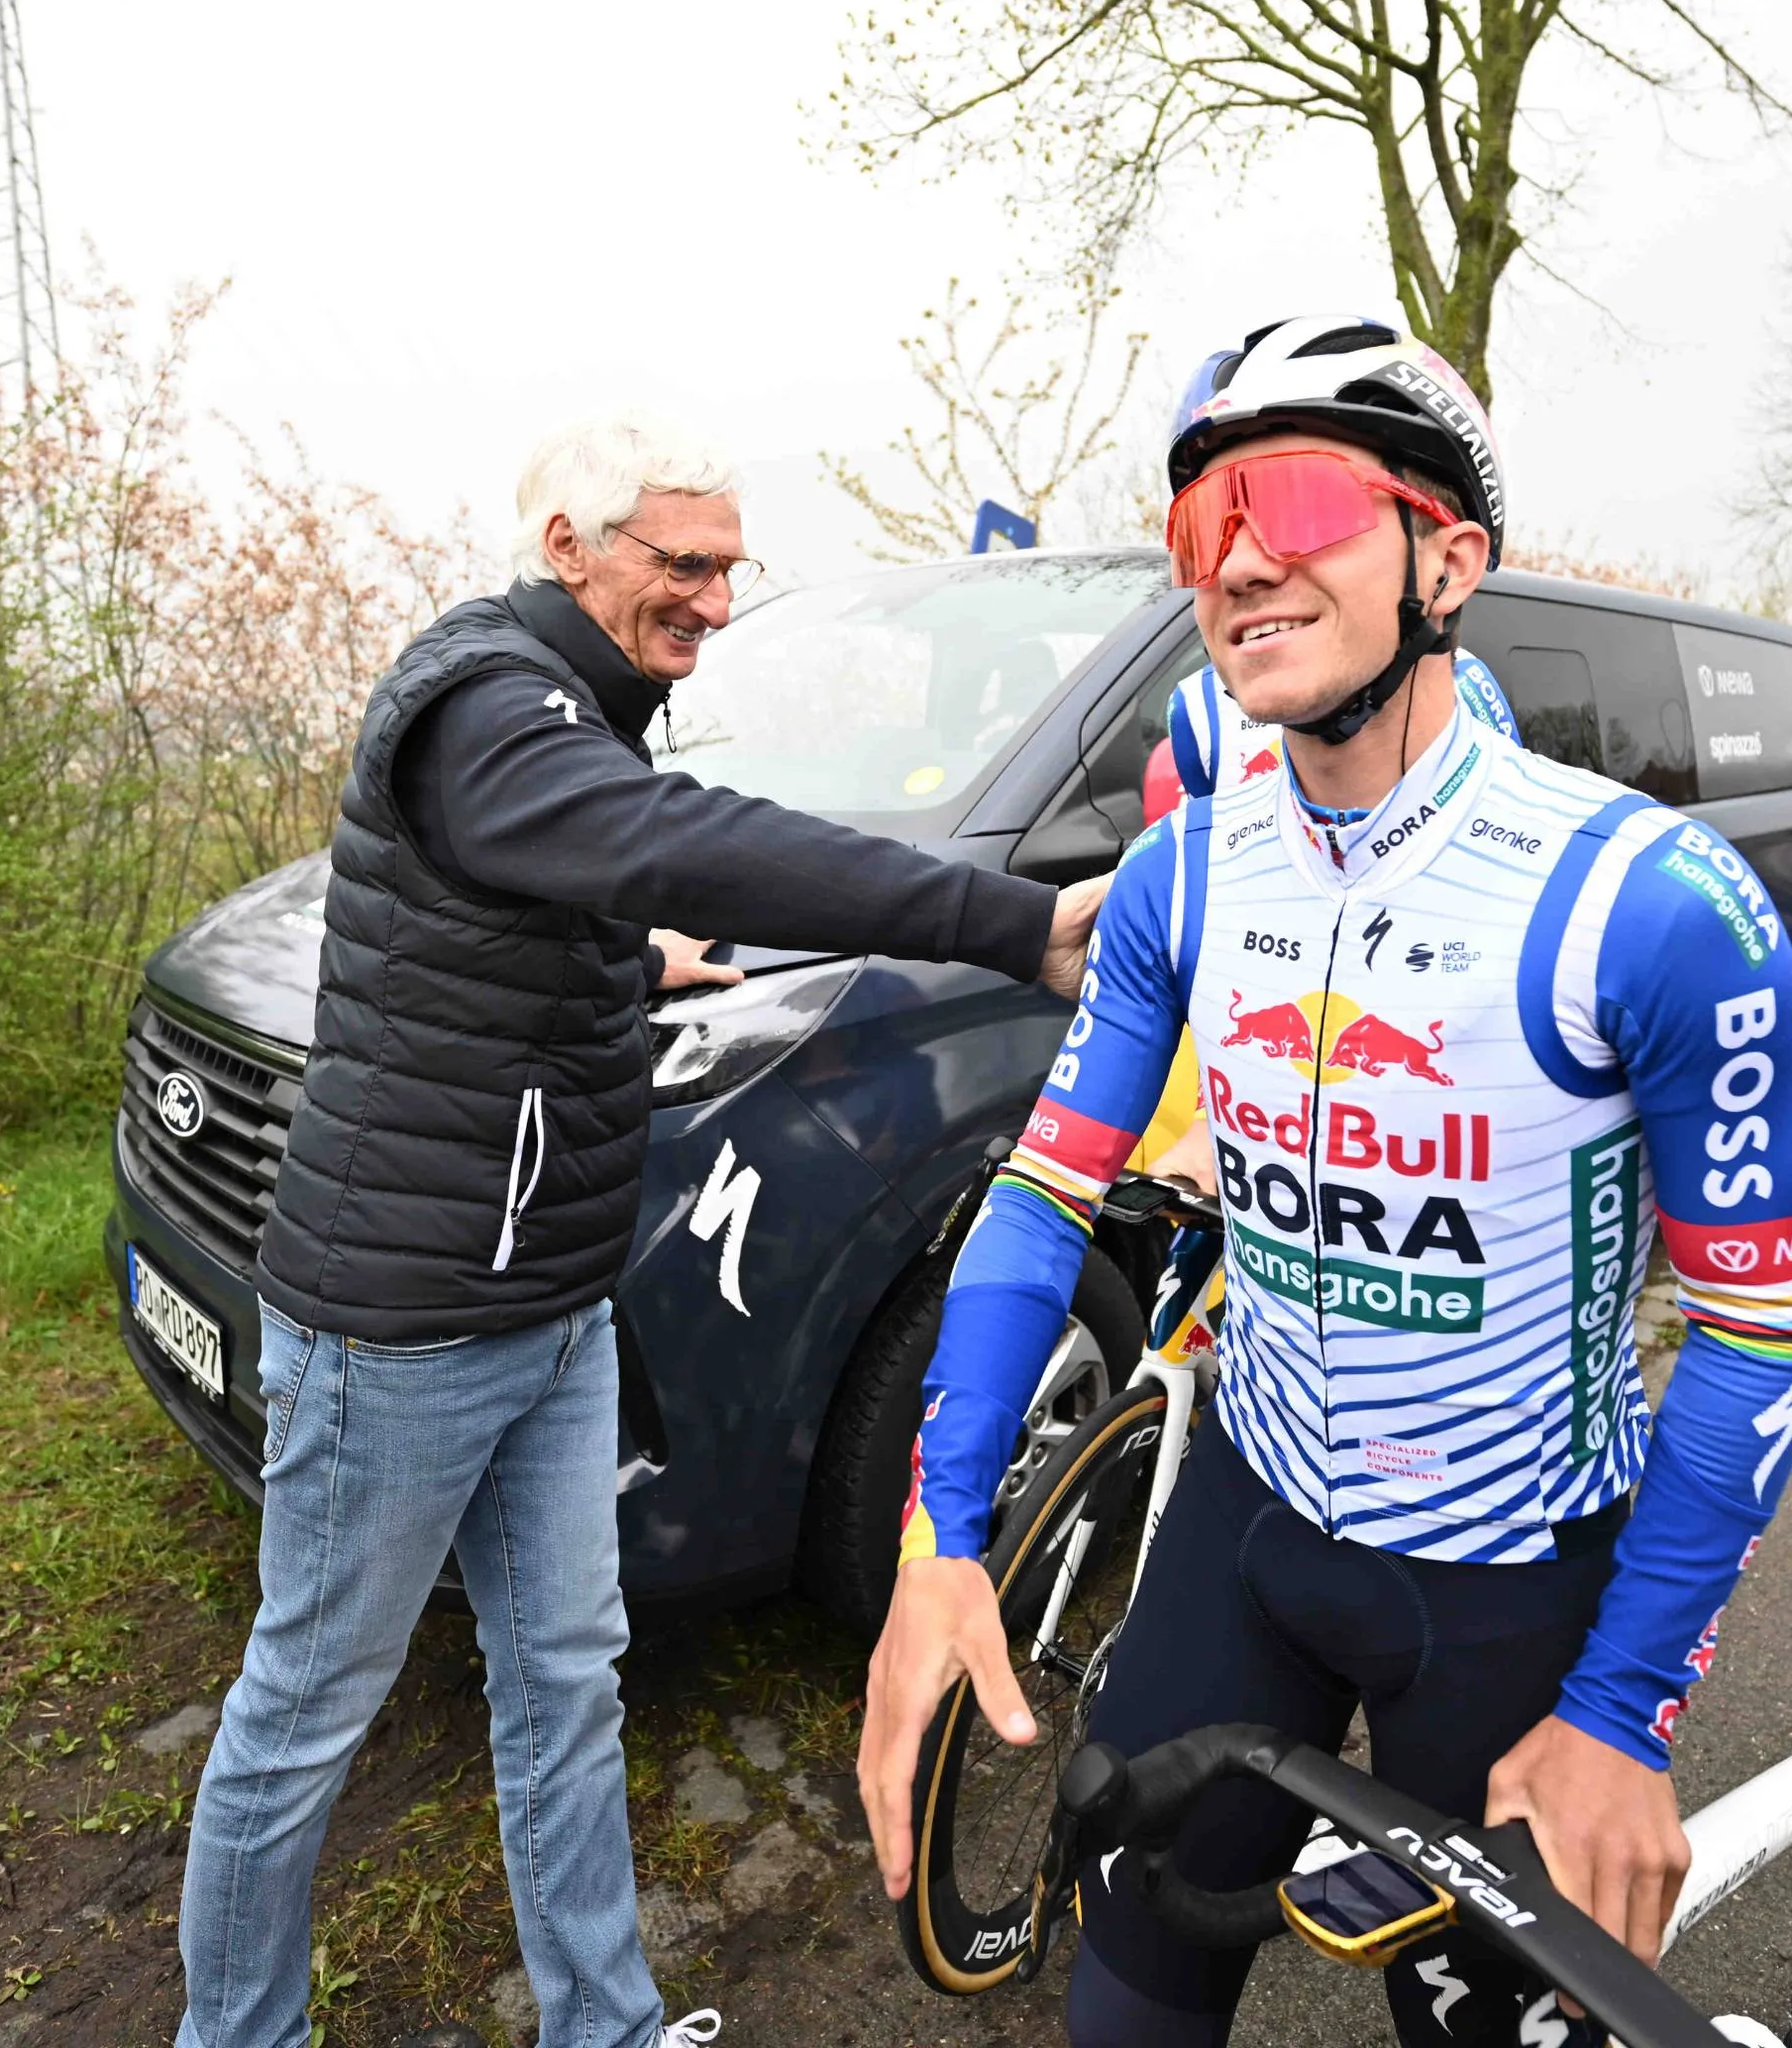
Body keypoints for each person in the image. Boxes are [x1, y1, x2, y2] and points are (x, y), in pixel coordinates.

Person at [854, 316, 1792, 2048]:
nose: (1237, 554)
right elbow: (1041, 1197)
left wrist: (1623, 1713)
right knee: (1121, 2019)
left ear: (1447, 560)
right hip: (1251, 1522)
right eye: (1203, 516)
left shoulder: (1651, 901)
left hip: (1517, 1586)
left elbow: (1758, 1328)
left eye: (1296, 498)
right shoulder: (1179, 875)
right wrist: (945, 1538)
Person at [174, 413, 1108, 2048]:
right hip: (404, 1325)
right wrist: (1012, 924)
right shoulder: (490, 707)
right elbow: (680, 839)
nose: (716, 602)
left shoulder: (575, 717)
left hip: (550, 1310)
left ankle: (601, 2025)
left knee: (564, 1682)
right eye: (682, 564)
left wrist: (627, 964)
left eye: (732, 565)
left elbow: (496, 928)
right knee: (307, 1707)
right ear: (568, 547)